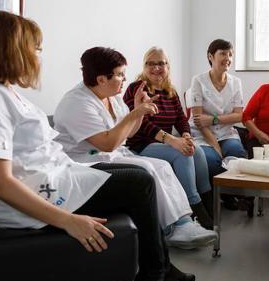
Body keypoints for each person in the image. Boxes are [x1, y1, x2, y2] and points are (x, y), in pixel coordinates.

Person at [0, 11, 194, 281]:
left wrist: (136, 112)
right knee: (138, 182)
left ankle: (161, 269)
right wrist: (67, 220)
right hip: (41, 192)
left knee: (141, 178)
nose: (37, 58)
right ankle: (157, 274)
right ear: (9, 51)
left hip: (57, 176)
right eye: (34, 50)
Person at [54, 47, 216, 247]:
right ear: (101, 79)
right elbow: (108, 143)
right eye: (120, 74)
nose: (124, 78)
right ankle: (171, 228)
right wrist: (135, 112)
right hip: (85, 162)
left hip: (112, 155)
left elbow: (128, 132)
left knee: (161, 166)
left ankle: (182, 224)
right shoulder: (77, 103)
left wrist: (138, 112)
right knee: (146, 169)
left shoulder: (110, 96)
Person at [123, 47, 214, 229]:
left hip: (164, 142)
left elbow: (180, 118)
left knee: (197, 151)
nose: (156, 68)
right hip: (141, 143)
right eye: (151, 63)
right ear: (144, 66)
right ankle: (193, 206)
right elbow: (144, 125)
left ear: (167, 66)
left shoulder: (170, 91)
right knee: (183, 153)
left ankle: (208, 204)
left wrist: (186, 135)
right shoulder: (137, 88)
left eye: (161, 63)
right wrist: (173, 141)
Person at [187, 39, 247, 178]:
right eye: (223, 54)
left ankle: (237, 198)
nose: (228, 58)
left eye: (230, 55)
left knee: (238, 156)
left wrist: (213, 119)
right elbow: (199, 121)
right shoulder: (198, 80)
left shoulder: (236, 82)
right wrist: (216, 147)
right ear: (210, 56)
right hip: (203, 135)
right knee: (212, 161)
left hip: (227, 133)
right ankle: (217, 198)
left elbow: (239, 115)